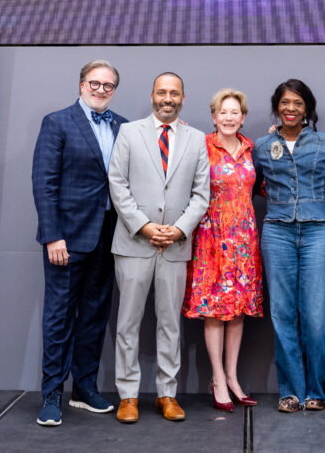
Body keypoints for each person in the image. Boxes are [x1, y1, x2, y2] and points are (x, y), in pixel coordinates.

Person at [108, 72, 210, 424]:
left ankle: (167, 394)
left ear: (183, 97)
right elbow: (117, 183)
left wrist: (179, 229)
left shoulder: (197, 140)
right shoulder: (129, 133)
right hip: (134, 242)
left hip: (175, 246)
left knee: (170, 325)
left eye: (175, 93)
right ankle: (128, 396)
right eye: (162, 92)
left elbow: (201, 194)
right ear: (152, 95)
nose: (168, 98)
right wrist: (145, 226)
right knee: (128, 323)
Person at [31, 59, 127, 426]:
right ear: (82, 84)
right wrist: (53, 235)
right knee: (59, 318)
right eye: (95, 83)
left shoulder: (123, 126)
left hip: (110, 235)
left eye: (108, 85)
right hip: (67, 238)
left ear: (113, 90)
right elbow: (44, 182)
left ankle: (84, 388)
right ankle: (52, 394)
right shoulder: (57, 122)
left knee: (94, 315)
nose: (101, 90)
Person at [251, 79, 325, 414]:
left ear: (307, 109)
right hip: (277, 233)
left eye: (298, 103)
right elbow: (248, 182)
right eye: (285, 102)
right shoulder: (261, 145)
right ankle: (290, 391)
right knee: (283, 314)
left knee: (316, 315)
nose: (291, 108)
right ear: (278, 106)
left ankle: (316, 390)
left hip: (318, 232)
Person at [183, 89, 263, 412]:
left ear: (243, 118)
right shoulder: (201, 145)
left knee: (239, 309)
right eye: (223, 112)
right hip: (211, 236)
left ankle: (232, 376)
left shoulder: (251, 148)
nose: (229, 118)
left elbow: (263, 186)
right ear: (213, 116)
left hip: (244, 237)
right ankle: (217, 378)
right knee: (215, 309)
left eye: (235, 112)